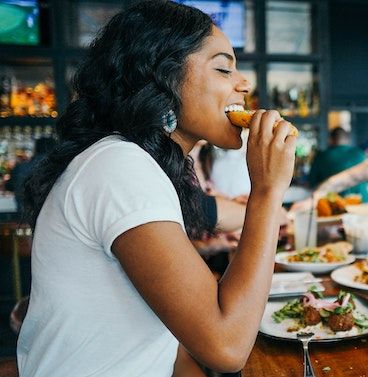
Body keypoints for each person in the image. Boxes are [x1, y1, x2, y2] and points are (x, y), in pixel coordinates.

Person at [16, 2, 296, 376]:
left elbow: (167, 346)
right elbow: (227, 347)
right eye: (224, 68)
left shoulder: (143, 166)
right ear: (162, 78)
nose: (244, 84)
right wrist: (267, 191)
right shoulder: (118, 167)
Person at [308, 127, 368, 201]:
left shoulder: (321, 157)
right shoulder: (360, 153)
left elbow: (311, 183)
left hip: (335, 205)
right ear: (347, 139)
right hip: (364, 203)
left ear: (330, 139)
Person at [6, 137, 57, 216]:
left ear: (35, 149)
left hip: (23, 218)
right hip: (51, 219)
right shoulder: (58, 168)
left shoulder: (20, 167)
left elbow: (9, 186)